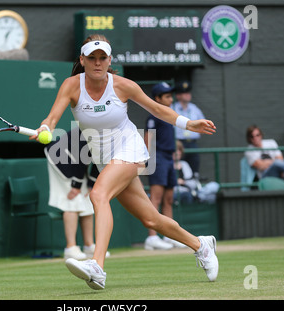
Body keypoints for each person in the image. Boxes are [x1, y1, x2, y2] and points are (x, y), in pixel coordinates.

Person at [31, 34, 218, 290]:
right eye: (92, 58)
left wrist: (188, 123)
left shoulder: (123, 85)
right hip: (103, 159)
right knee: (151, 220)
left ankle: (97, 266)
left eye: (103, 58)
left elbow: (157, 109)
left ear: (109, 61)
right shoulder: (71, 86)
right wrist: (45, 127)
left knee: (98, 195)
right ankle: (201, 245)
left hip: (129, 147)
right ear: (82, 60)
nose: (98, 63)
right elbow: (52, 118)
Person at [45, 127, 105, 260]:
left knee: (87, 200)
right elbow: (80, 157)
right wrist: (76, 186)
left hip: (76, 160)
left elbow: (100, 161)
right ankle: (70, 247)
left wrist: (91, 184)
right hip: (60, 157)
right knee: (72, 200)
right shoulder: (94, 130)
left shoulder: (112, 135)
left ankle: (89, 246)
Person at [143, 82, 181, 250]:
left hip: (169, 158)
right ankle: (151, 237)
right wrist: (148, 160)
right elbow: (148, 139)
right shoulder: (153, 117)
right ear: (157, 99)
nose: (170, 99)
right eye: (166, 96)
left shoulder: (169, 115)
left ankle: (169, 236)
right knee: (156, 199)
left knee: (168, 199)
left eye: (170, 96)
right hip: (157, 158)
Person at [172, 81, 205, 176]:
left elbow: (203, 124)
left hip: (193, 143)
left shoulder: (194, 108)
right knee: (179, 168)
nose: (187, 95)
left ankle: (194, 185)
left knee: (194, 167)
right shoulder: (173, 108)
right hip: (178, 143)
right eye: (184, 93)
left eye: (188, 93)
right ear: (178, 95)